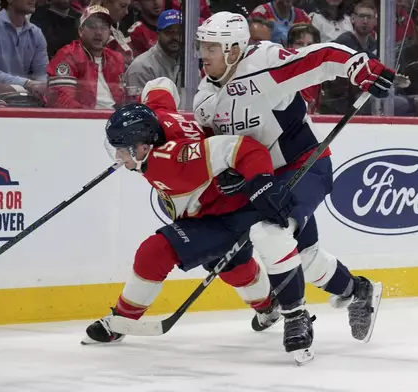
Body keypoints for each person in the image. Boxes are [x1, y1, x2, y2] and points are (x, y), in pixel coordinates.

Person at [82, 76, 316, 363]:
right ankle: (268, 307)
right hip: (214, 207)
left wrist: (262, 185)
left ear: (143, 146)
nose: (118, 157)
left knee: (155, 252)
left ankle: (120, 322)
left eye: (122, 150)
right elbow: (161, 85)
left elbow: (246, 150)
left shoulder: (174, 160)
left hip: (225, 214)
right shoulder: (156, 116)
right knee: (232, 267)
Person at [192, 12, 388, 342]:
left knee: (269, 232)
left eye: (212, 47)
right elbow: (219, 147)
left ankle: (295, 316)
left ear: (233, 49)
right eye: (202, 46)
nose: (203, 54)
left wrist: (359, 66)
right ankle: (359, 290)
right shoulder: (204, 99)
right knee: (306, 258)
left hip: (305, 165)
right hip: (261, 178)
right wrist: (228, 172)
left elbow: (319, 58)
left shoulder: (264, 62)